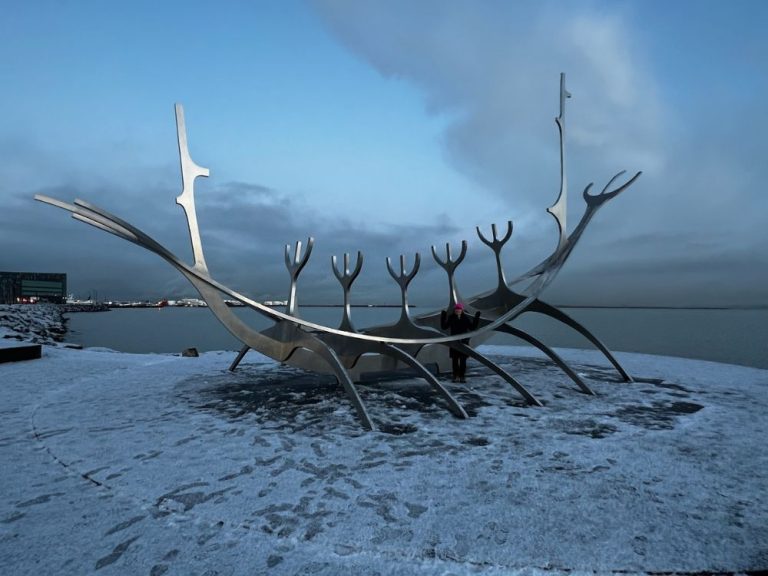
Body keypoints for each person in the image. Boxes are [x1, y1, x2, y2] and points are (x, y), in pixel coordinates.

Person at [440, 302, 481, 383]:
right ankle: (455, 376)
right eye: (456, 309)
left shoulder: (465, 318)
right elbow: (444, 327)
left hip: (463, 342)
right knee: (455, 361)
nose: (458, 311)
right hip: (454, 343)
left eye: (459, 309)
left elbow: (472, 327)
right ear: (454, 310)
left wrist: (477, 317)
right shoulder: (451, 318)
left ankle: (462, 377)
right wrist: (443, 316)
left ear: (462, 310)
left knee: (463, 361)